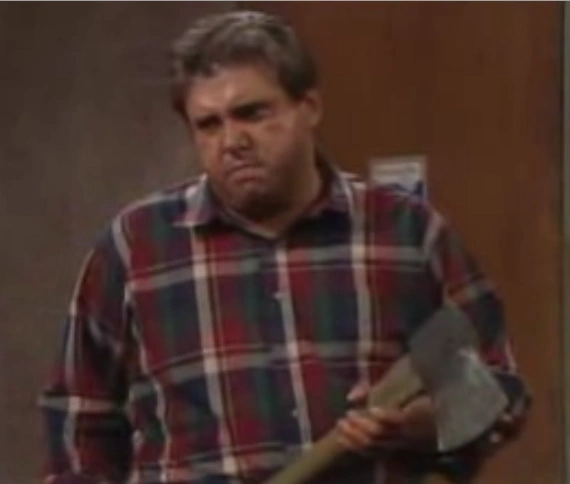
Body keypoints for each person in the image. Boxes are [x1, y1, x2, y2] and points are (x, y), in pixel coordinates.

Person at [39, 10, 529, 484]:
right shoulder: (137, 246)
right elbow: (81, 417)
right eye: (209, 124)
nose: (233, 141)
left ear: (309, 107)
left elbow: (498, 392)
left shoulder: (405, 232)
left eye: (252, 113)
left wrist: (422, 424)